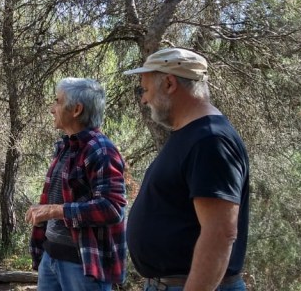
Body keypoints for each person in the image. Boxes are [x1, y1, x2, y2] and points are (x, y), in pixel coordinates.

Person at [123, 48, 250, 291]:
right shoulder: (191, 135)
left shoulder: (210, 140)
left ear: (170, 83)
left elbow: (220, 234)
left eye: (146, 89)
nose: (143, 99)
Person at [26, 77, 127, 291]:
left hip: (82, 265)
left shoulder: (101, 150)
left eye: (58, 101)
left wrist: (54, 211)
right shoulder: (66, 147)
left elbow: (112, 208)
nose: (53, 109)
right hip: (51, 257)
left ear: (77, 109)